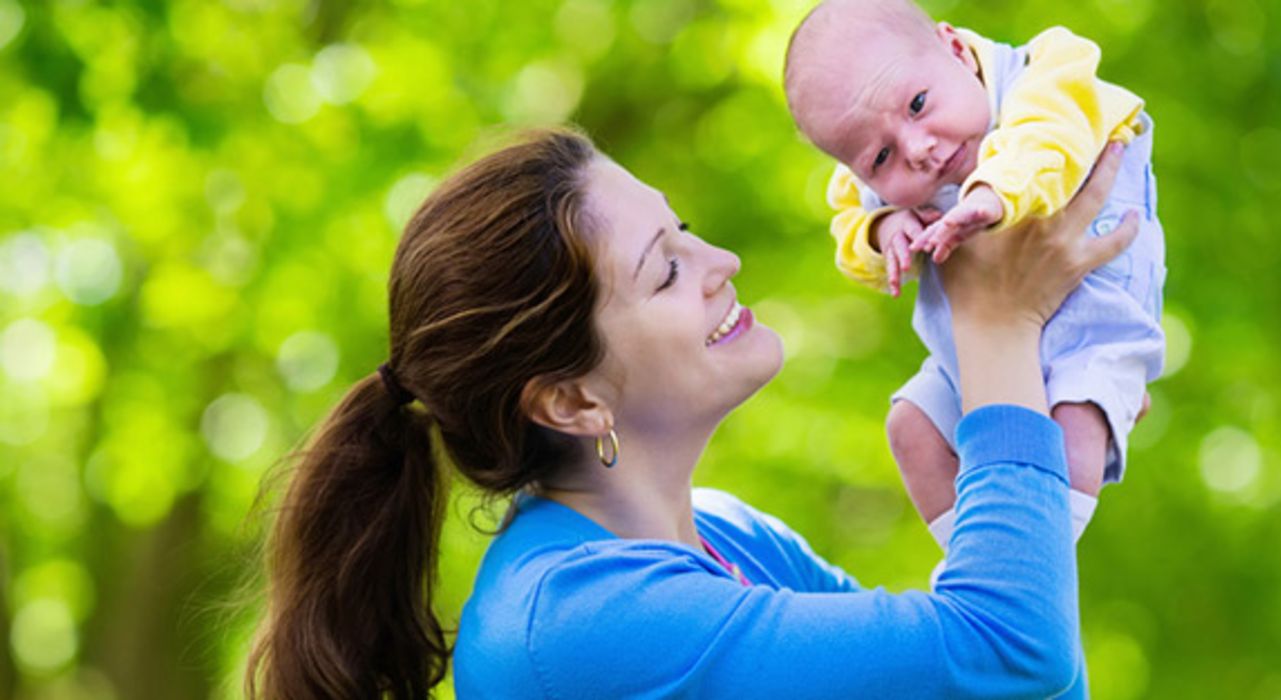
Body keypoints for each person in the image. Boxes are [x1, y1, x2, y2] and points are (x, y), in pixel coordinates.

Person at [242, 128, 1137, 699]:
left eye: (681, 231)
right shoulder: (572, 623)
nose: (721, 259)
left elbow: (1021, 676)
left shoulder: (730, 542)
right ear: (570, 399)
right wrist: (995, 329)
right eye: (664, 269)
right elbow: (1013, 653)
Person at [783, 0, 1166, 558]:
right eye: (880, 157)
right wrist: (881, 227)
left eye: (918, 104)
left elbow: (1051, 137)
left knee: (1075, 437)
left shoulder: (1048, 73)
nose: (919, 151)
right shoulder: (870, 184)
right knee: (909, 426)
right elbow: (848, 227)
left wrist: (994, 194)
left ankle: (1031, 571)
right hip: (969, 356)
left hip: (1096, 324)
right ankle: (977, 566)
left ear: (957, 50)